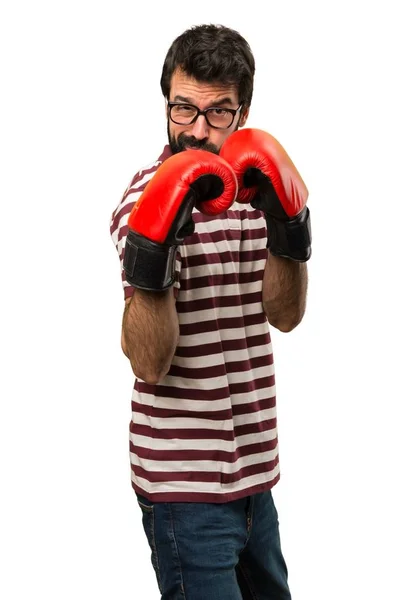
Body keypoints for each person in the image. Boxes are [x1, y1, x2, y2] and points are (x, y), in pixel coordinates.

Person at [110, 23, 311, 600]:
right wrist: (154, 250)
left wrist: (287, 228)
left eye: (218, 112)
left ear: (242, 113)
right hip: (183, 491)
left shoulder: (255, 193)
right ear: (167, 103)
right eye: (184, 109)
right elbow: (150, 363)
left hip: (256, 482)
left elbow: (286, 315)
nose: (197, 130)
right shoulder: (140, 203)